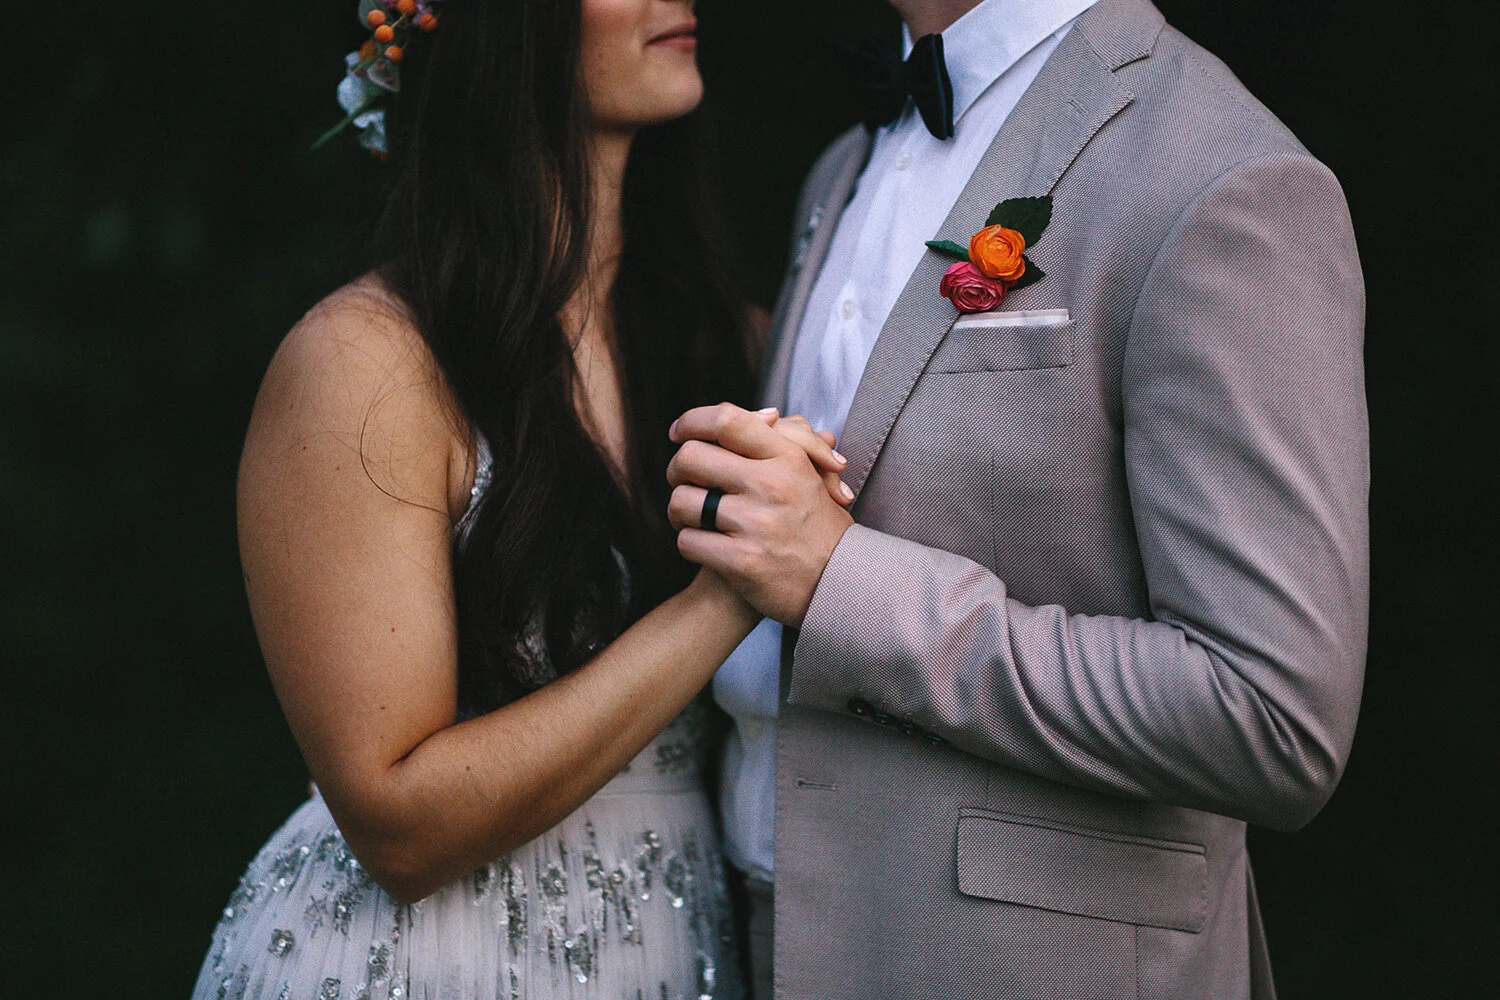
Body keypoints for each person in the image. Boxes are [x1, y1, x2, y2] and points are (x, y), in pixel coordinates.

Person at [669, 0, 1368, 996]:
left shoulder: (1224, 173)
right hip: (765, 938)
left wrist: (841, 580)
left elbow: (1268, 713)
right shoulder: (845, 165)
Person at [189, 2, 852, 999]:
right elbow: (399, 824)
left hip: (680, 944)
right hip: (421, 963)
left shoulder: (738, 342)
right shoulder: (368, 365)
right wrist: (728, 596)